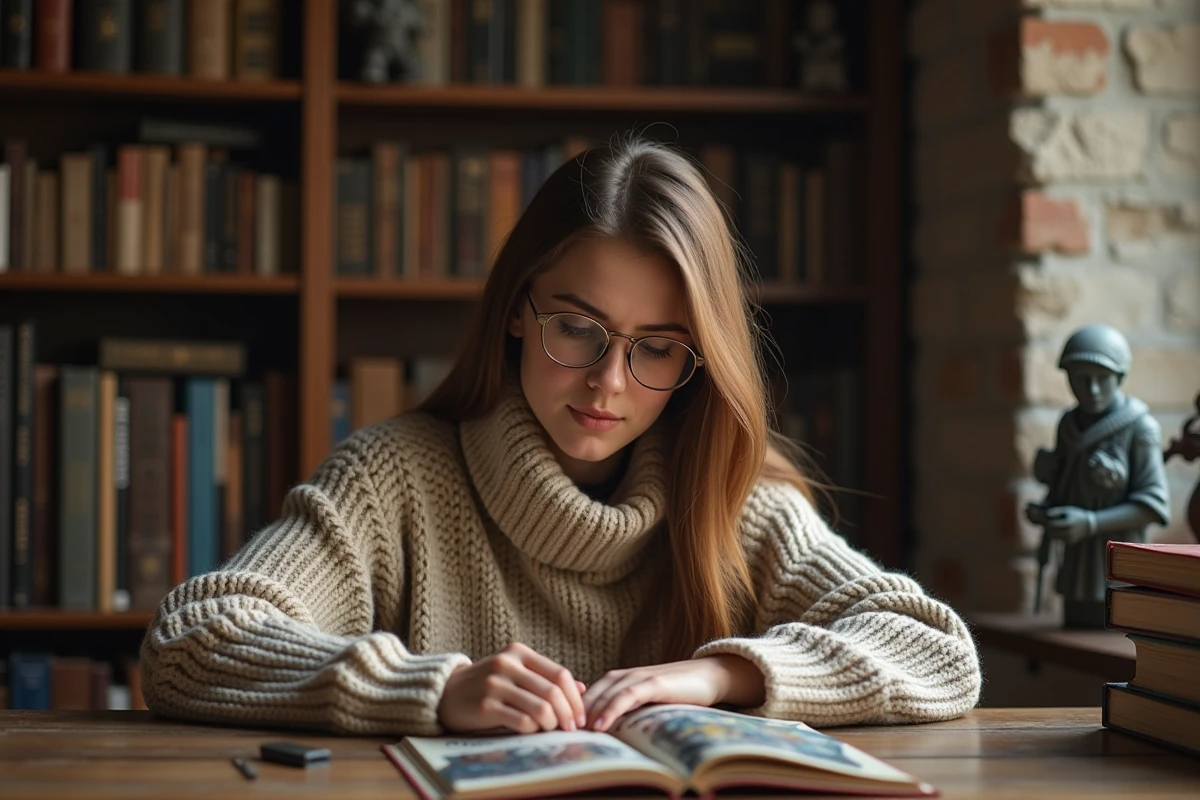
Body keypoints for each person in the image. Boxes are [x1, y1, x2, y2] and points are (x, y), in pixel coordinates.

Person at [140, 135, 981, 736]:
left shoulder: (733, 502)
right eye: (577, 329)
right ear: (516, 308)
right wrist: (434, 688)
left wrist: (724, 674)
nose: (610, 382)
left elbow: (942, 653)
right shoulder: (393, 479)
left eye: (657, 347)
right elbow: (190, 643)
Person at [1026, 324, 1170, 628]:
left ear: (1119, 377)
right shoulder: (1068, 425)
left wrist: (1090, 523)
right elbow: (1066, 485)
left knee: (1118, 628)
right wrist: (1048, 512)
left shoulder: (1140, 429)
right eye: (1081, 379)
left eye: (1102, 379)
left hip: (1117, 566)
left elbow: (1153, 505)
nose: (1092, 390)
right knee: (1075, 629)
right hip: (1077, 564)